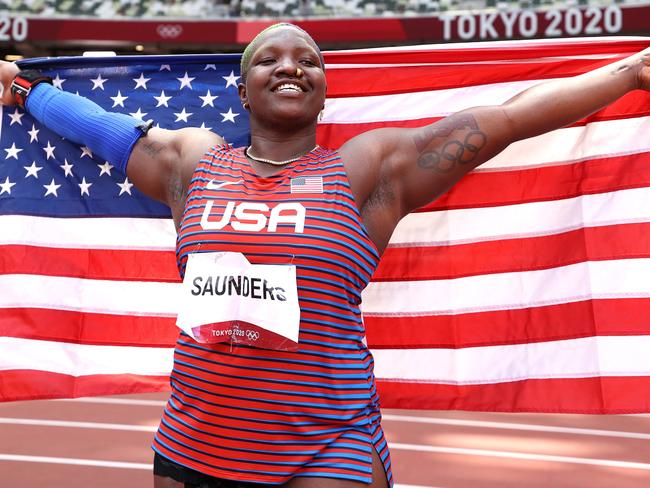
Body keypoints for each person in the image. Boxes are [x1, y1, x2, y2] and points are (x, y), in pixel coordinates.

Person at [1, 23, 649, 488]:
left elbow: (505, 120)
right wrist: (22, 91)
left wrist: (629, 73)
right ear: (244, 94)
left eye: (308, 59)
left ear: (323, 90)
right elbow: (104, 131)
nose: (290, 65)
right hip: (195, 445)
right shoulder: (193, 162)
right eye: (268, 59)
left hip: (326, 449)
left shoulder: (368, 171)